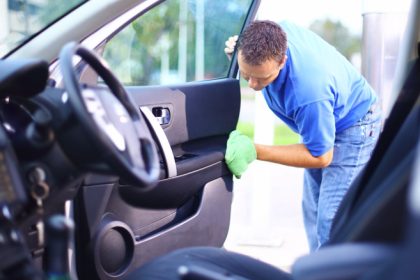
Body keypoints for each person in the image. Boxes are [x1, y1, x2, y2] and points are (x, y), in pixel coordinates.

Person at [224, 20, 382, 251]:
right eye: (247, 75)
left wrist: (255, 150)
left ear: (283, 61)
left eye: (263, 78)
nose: (254, 85)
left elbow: (320, 156)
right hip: (324, 115)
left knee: (331, 221)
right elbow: (251, 57)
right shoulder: (267, 37)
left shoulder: (309, 91)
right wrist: (237, 55)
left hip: (354, 125)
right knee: (313, 210)